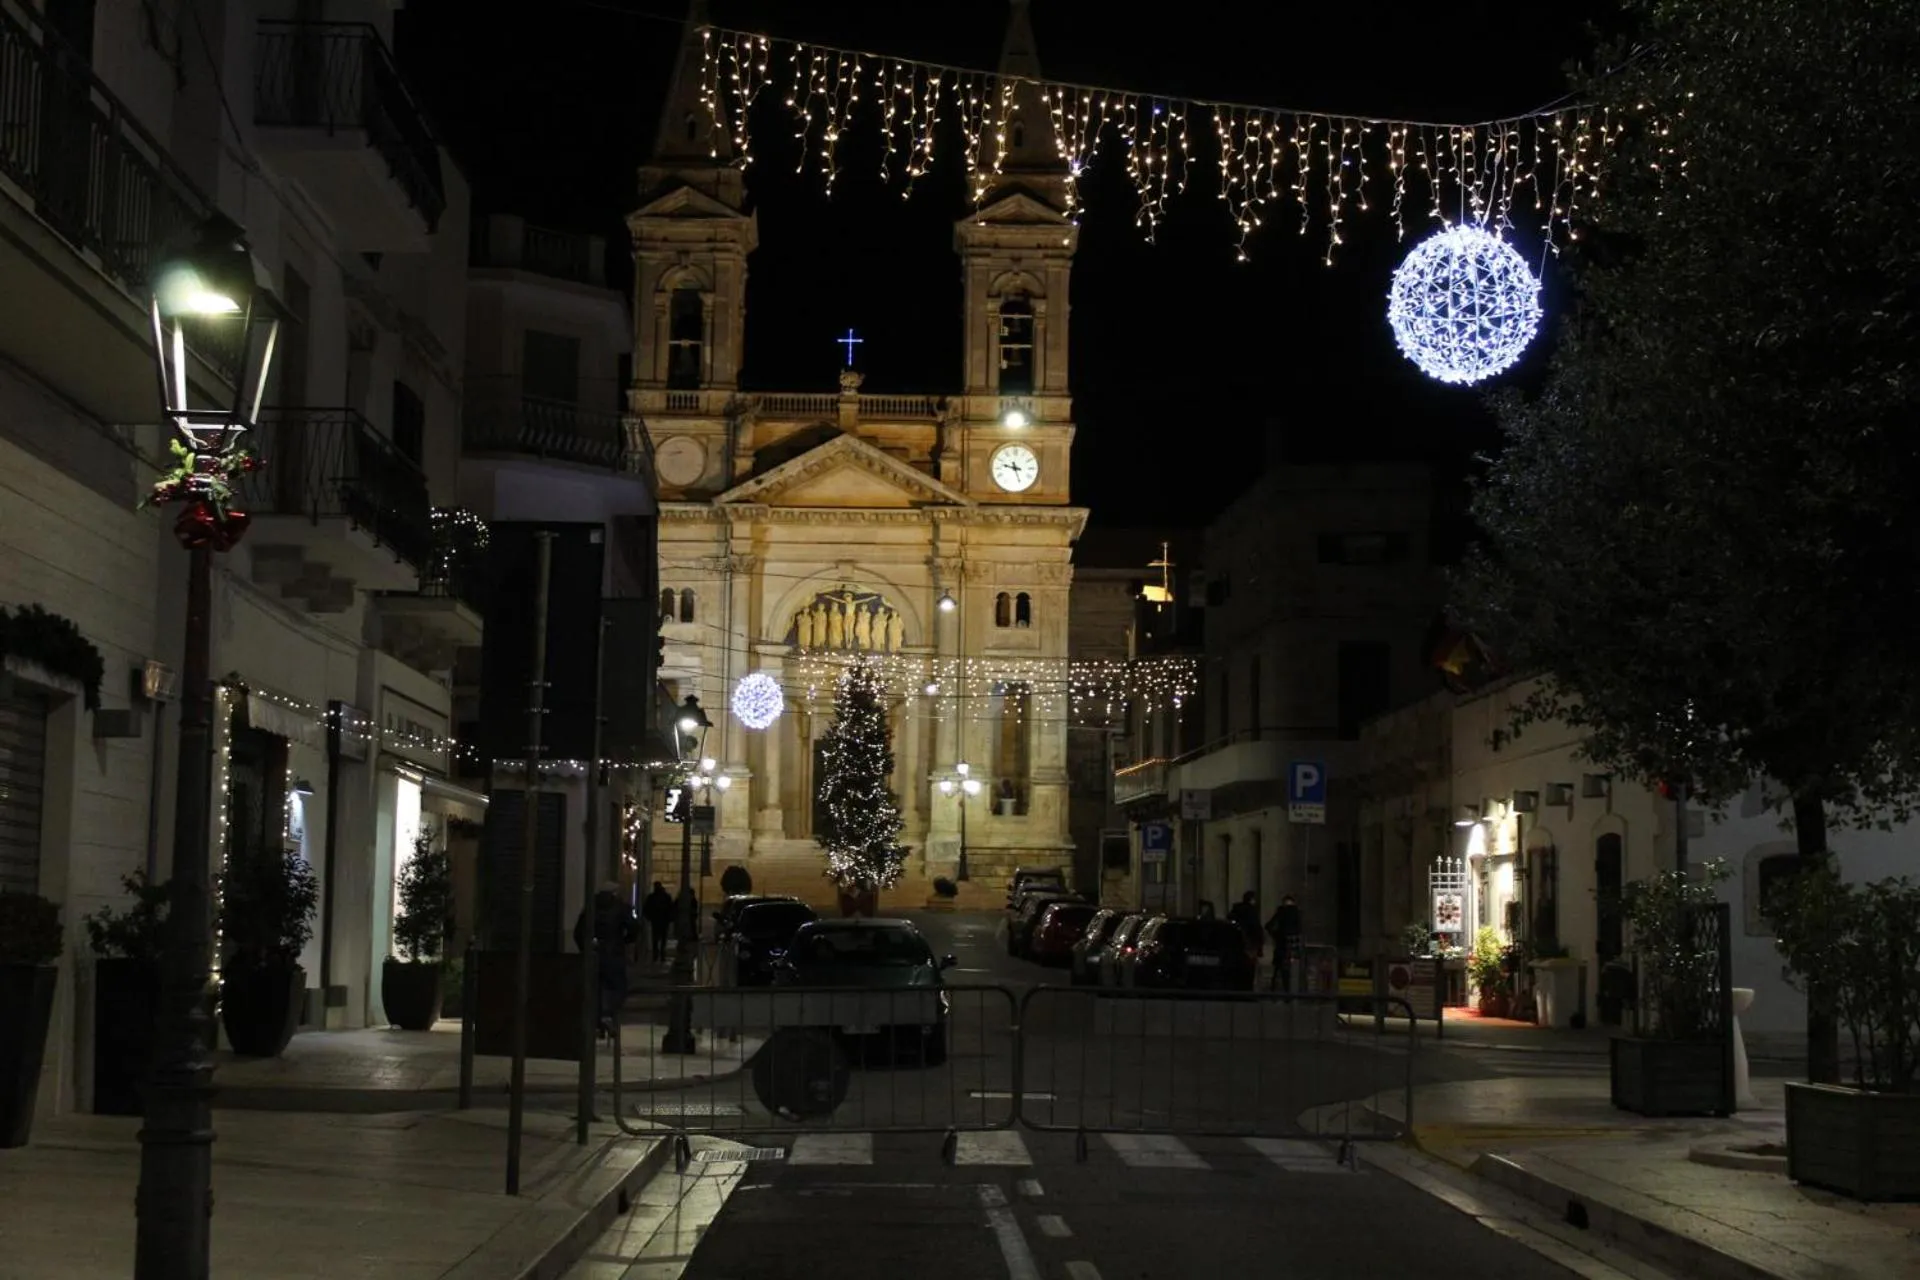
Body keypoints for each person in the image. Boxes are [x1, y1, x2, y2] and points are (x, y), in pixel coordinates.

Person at [574, 881, 639, 1038]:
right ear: (615, 893)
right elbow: (634, 928)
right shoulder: (621, 908)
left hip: (594, 954)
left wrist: (586, 948)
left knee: (595, 988)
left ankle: (597, 1024)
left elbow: (578, 932)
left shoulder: (590, 907)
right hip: (614, 953)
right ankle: (608, 1014)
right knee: (618, 986)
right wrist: (624, 941)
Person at [1265, 894, 1301, 991]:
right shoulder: (1297, 913)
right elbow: (1300, 929)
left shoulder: (1281, 912)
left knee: (1279, 968)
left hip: (1282, 943)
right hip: (1294, 944)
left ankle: (1278, 990)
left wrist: (1276, 935)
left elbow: (1268, 926)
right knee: (1293, 969)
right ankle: (1293, 991)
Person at [641, 881, 674, 963]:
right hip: (663, 920)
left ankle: (656, 954)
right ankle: (661, 954)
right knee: (662, 938)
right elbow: (671, 908)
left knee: (655, 938)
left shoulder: (652, 897)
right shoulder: (666, 897)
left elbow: (646, 908)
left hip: (656, 920)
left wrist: (649, 917)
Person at [1227, 890, 1262, 957]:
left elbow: (1230, 917)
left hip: (1237, 935)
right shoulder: (1252, 910)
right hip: (1249, 936)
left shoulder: (1237, 907)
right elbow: (1255, 925)